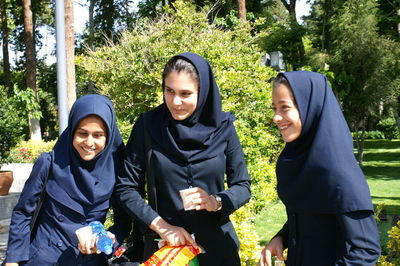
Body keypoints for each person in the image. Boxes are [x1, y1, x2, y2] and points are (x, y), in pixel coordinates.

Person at [115, 52, 251, 265]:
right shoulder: (148, 127)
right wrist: (162, 226)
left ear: (202, 92)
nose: (176, 102)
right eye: (169, 91)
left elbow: (242, 185)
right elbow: (126, 188)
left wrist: (215, 202)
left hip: (215, 249)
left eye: (185, 94)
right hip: (165, 249)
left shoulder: (223, 128)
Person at [259, 71, 381, 266]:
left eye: (285, 108)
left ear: (311, 109)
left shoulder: (337, 172)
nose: (276, 117)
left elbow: (365, 250)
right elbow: (310, 216)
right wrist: (281, 237)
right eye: (274, 108)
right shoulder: (298, 160)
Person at [4, 95, 131, 266]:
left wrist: (107, 241)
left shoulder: (117, 170)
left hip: (89, 261)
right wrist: (13, 260)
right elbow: (23, 213)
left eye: (98, 135)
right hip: (45, 259)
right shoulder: (49, 163)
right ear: (71, 131)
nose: (89, 142)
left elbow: (123, 222)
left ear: (108, 137)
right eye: (82, 133)